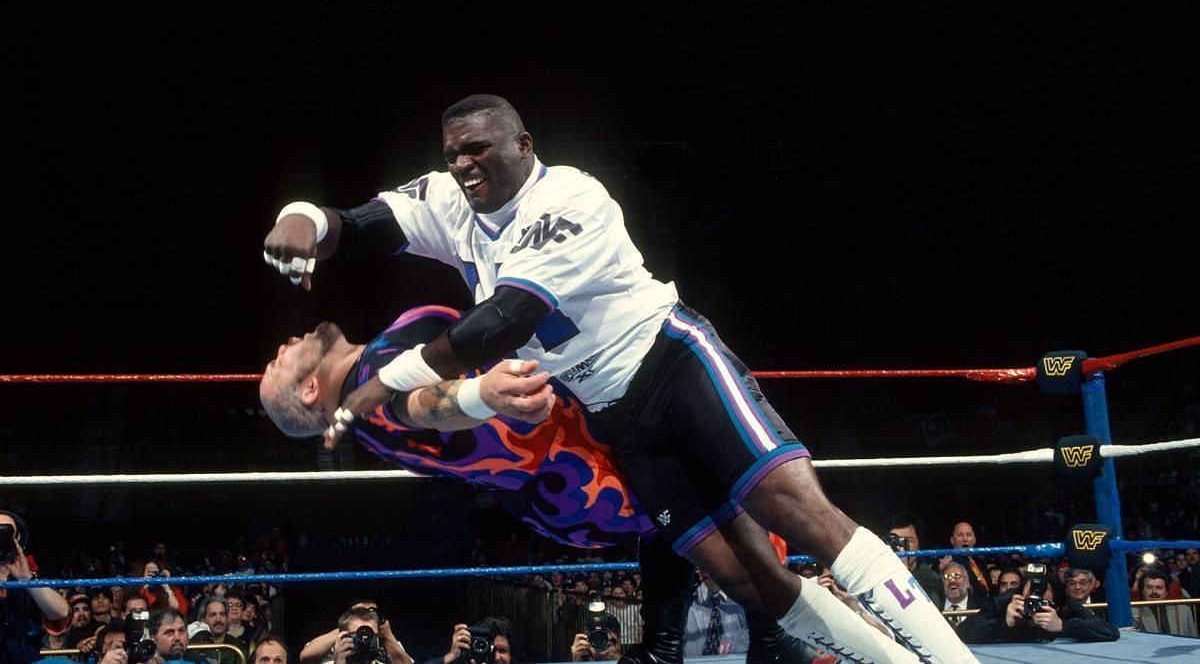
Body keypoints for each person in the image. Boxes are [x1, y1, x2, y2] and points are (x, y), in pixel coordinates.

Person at [262, 93, 977, 664]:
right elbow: (363, 222)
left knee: (799, 513)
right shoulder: (454, 202)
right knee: (741, 576)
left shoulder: (571, 200)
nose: (465, 165)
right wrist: (303, 218)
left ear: (524, 146)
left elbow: (501, 322)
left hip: (671, 360)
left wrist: (383, 383)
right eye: (454, 154)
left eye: (479, 149)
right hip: (614, 416)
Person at [260, 309, 902, 663]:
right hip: (585, 468)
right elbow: (428, 404)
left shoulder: (371, 384)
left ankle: (725, 644)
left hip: (578, 462)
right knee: (739, 541)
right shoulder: (376, 397)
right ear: (310, 390)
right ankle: (840, 645)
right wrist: (480, 393)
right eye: (276, 362)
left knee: (721, 539)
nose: (285, 343)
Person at [957, 567, 1118, 644]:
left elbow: (1110, 632)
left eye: (1042, 596)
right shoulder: (1007, 601)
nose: (1036, 602)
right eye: (1031, 595)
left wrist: (1063, 626)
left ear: (1056, 601)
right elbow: (961, 633)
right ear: (1021, 594)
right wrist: (1003, 624)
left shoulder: (1065, 603)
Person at [0, 510, 70, 664]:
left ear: (17, 539)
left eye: (6, 533)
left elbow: (61, 613)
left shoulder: (30, 580)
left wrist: (27, 580)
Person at [1132, 568, 1198, 637]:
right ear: (1142, 591)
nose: (1154, 591)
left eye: (1159, 587)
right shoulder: (1133, 614)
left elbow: (1193, 637)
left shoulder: (1183, 610)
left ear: (1167, 592)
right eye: (1149, 587)